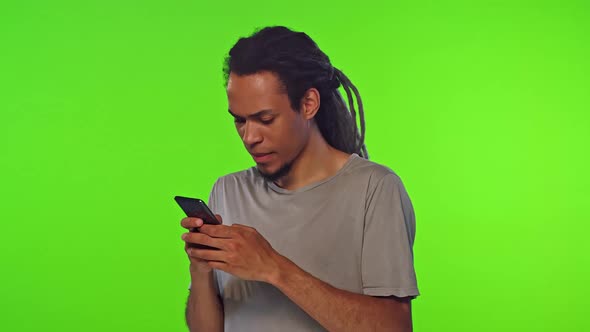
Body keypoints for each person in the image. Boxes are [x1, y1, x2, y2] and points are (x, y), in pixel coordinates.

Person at [180, 26, 419, 332]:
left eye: (265, 119)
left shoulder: (375, 189)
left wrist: (273, 268)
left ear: (308, 104)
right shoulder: (228, 190)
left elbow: (393, 328)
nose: (249, 137)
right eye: (239, 120)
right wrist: (200, 269)